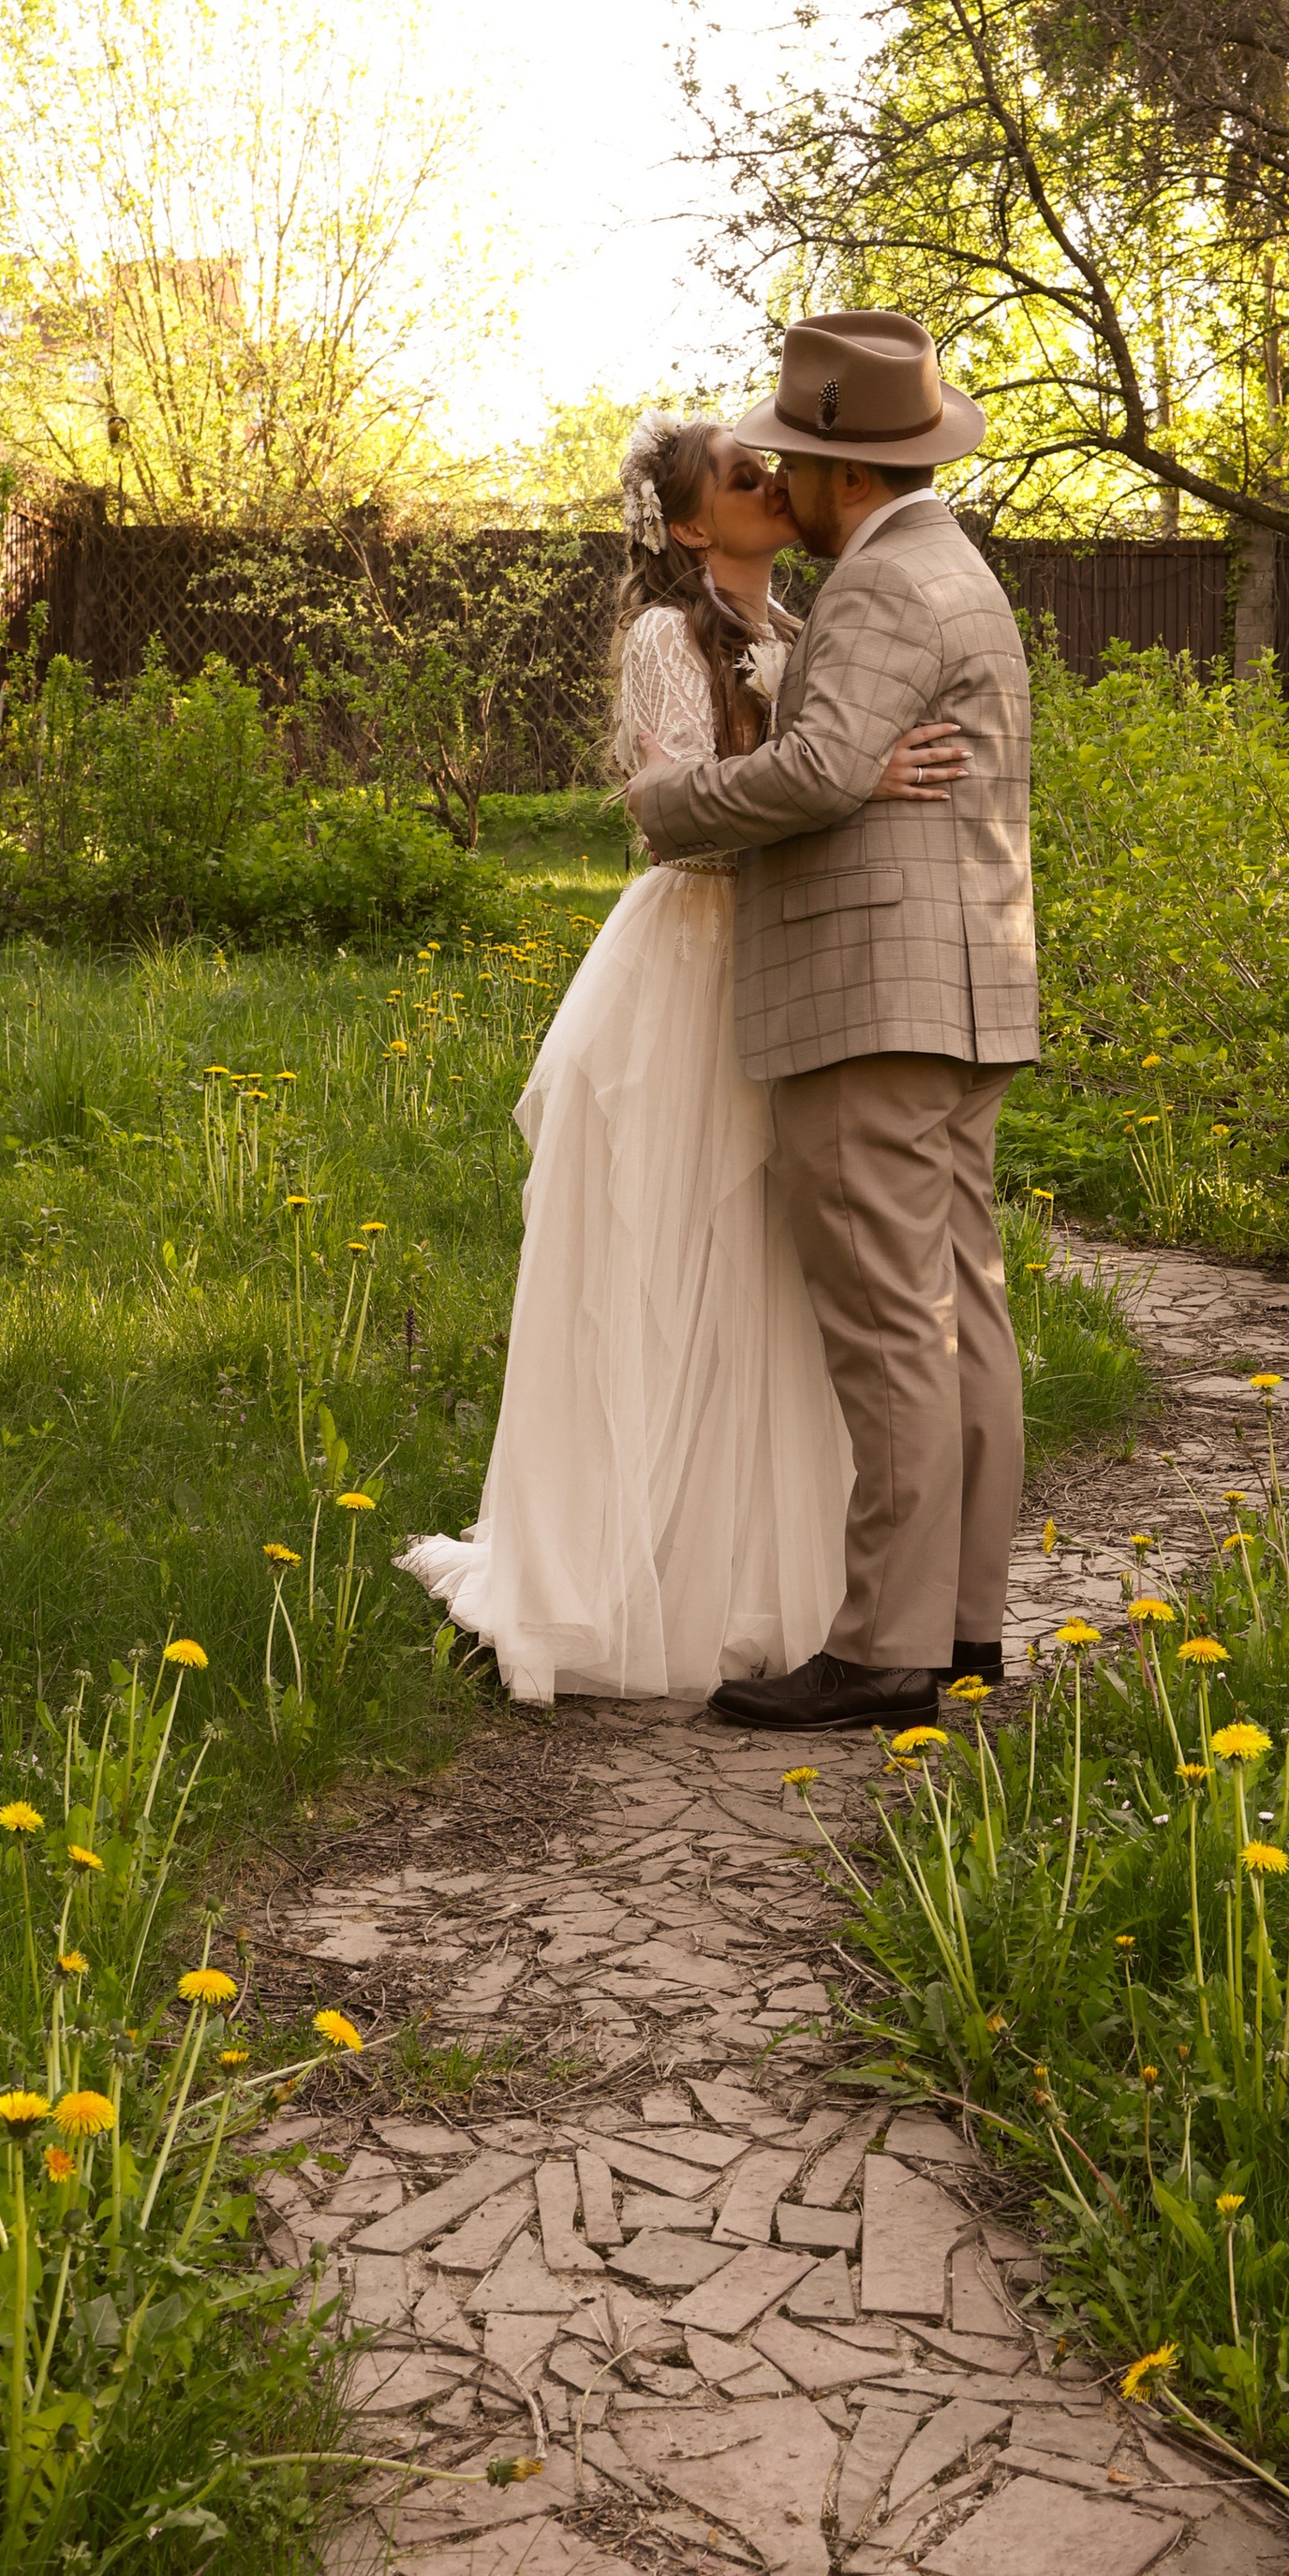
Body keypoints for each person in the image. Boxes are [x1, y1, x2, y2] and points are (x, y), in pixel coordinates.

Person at [399, 410, 956, 1701]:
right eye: (744, 475)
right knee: (660, 1247)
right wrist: (852, 782)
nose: (775, 483)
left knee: (765, 1259)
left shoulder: (807, 639)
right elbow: (675, 829)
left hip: (781, 963)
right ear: (692, 524)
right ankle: (616, 1561)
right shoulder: (665, 640)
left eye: (775, 471)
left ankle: (751, 1568)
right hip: (687, 965)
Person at [626, 310, 1038, 1736]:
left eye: (791, 459)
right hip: (960, 987)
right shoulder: (950, 565)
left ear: (839, 473)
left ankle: (884, 1649)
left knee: (887, 1327)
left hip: (873, 1001)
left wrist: (666, 809)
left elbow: (816, 772)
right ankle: (964, 1624)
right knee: (957, 1309)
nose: (777, 481)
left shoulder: (877, 588)